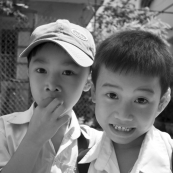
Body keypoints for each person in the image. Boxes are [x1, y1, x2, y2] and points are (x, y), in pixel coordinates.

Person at [0, 19, 102, 173]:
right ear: (28, 73)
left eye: (67, 72)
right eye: (41, 70)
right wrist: (34, 140)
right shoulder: (4, 130)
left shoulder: (97, 143)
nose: (52, 84)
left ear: (88, 82)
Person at [78, 30, 173, 173]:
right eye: (112, 95)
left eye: (141, 100)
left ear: (162, 103)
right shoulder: (83, 165)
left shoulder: (169, 157)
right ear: (94, 92)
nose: (123, 115)